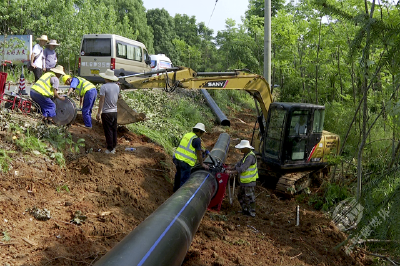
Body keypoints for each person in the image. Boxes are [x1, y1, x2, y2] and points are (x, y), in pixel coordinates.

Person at [225, 140, 259, 217]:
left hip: (249, 181)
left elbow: (242, 168)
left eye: (242, 148)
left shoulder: (250, 157)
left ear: (246, 148)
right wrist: (231, 168)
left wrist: (231, 172)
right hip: (244, 181)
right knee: (240, 196)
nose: (240, 150)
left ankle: (251, 213)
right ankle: (245, 210)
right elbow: (238, 164)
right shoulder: (246, 155)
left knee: (249, 197)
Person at [173, 123, 210, 192]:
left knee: (178, 176)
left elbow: (189, 146)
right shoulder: (197, 139)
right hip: (185, 162)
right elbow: (199, 154)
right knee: (184, 180)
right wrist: (202, 164)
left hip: (177, 158)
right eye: (202, 133)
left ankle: (175, 192)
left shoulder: (188, 135)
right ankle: (181, 197)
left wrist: (201, 149)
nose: (202, 135)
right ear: (199, 131)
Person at [96, 69, 120, 154]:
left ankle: (110, 148)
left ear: (106, 78)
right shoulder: (117, 86)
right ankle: (113, 147)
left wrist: (99, 112)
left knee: (108, 130)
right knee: (114, 129)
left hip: (106, 112)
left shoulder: (104, 87)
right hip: (114, 111)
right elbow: (118, 97)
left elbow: (101, 100)